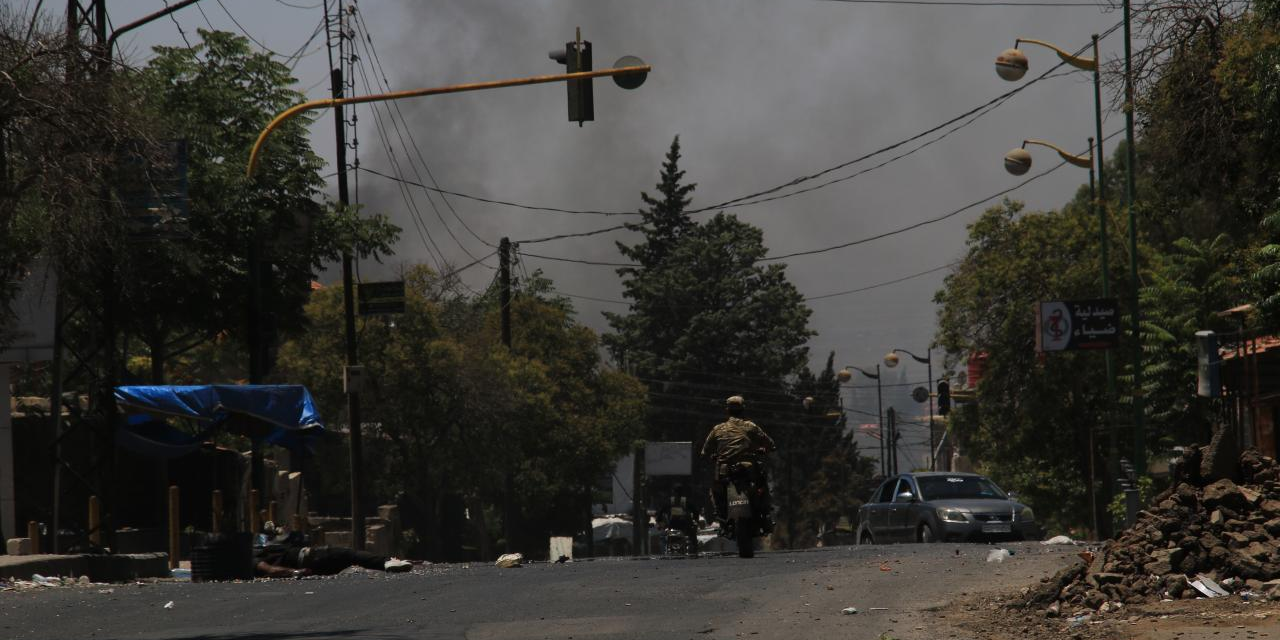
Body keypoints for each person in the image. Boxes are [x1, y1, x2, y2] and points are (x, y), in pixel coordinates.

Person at [700, 395, 776, 531]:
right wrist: (764, 449)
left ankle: (721, 515)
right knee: (762, 482)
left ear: (727, 411)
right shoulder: (751, 426)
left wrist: (713, 455)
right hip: (749, 468)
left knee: (717, 490)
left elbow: (705, 451)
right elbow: (770, 444)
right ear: (743, 410)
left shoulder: (718, 429)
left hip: (725, 470)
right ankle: (766, 513)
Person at [254, 522, 412, 578]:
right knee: (349, 554)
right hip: (309, 559)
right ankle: (386, 562)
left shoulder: (260, 548)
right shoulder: (251, 557)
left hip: (310, 561)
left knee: (348, 558)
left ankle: (387, 562)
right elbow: (269, 569)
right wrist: (295, 572)